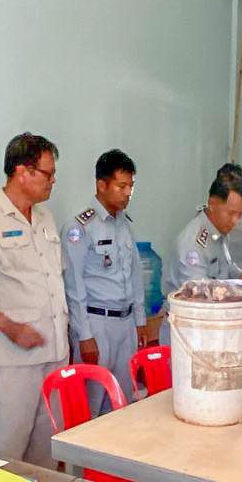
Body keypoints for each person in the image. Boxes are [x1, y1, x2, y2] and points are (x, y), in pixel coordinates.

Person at [0, 133, 67, 465]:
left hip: (55, 352)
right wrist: (9, 327)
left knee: (48, 451)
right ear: (22, 172)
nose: (53, 181)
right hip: (13, 360)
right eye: (48, 174)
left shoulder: (45, 217)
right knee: (10, 453)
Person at [61, 149, 153, 414]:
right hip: (96, 324)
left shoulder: (124, 224)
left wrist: (140, 320)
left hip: (125, 324)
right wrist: (85, 336)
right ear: (101, 185)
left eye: (131, 186)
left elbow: (134, 276)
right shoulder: (79, 227)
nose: (128, 193)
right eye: (121, 186)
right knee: (91, 407)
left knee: (122, 404)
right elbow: (74, 285)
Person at [161, 173, 242, 344]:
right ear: (212, 204)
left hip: (207, 326)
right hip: (186, 331)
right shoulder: (193, 242)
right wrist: (239, 293)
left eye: (240, 214)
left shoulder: (218, 233)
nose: (235, 221)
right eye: (231, 213)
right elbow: (198, 293)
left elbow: (226, 266)